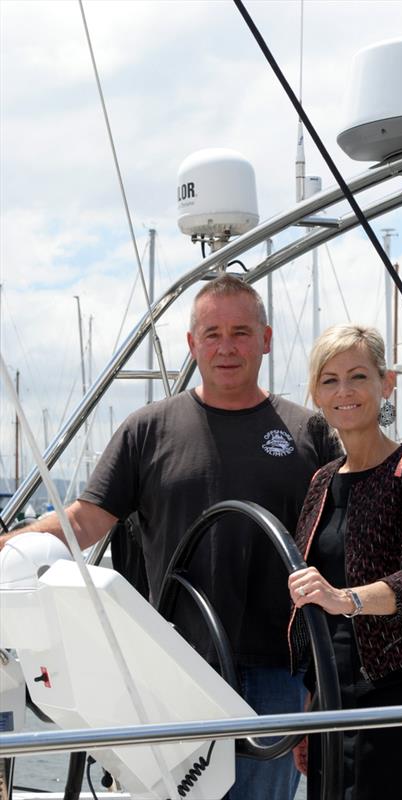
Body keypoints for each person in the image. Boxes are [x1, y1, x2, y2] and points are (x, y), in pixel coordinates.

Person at [0, 274, 341, 800]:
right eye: (212, 333)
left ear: (267, 339)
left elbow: (333, 549)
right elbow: (86, 521)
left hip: (280, 671)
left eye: (241, 332)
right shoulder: (148, 430)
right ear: (191, 344)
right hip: (171, 665)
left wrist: (322, 685)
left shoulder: (308, 432)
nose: (226, 346)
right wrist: (12, 542)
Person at [287, 323, 402, 800]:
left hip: (393, 692)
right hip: (330, 694)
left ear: (386, 383)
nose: (345, 392)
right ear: (317, 393)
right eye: (330, 380)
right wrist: (311, 703)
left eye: (358, 376)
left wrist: (344, 600)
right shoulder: (321, 480)